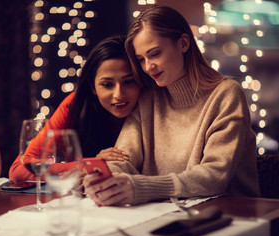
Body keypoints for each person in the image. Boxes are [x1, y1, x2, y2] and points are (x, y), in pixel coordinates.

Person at [83, 5, 260, 206]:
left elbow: (214, 176)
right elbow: (123, 158)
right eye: (141, 59)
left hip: (231, 215)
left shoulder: (226, 93)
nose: (148, 67)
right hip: (166, 213)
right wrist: (108, 179)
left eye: (155, 53)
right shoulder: (149, 96)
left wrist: (141, 187)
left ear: (183, 43)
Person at [9, 35, 141, 183]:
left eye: (129, 82)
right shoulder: (75, 105)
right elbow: (18, 169)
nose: (119, 95)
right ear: (93, 87)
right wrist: (89, 164)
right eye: (107, 84)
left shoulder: (152, 106)